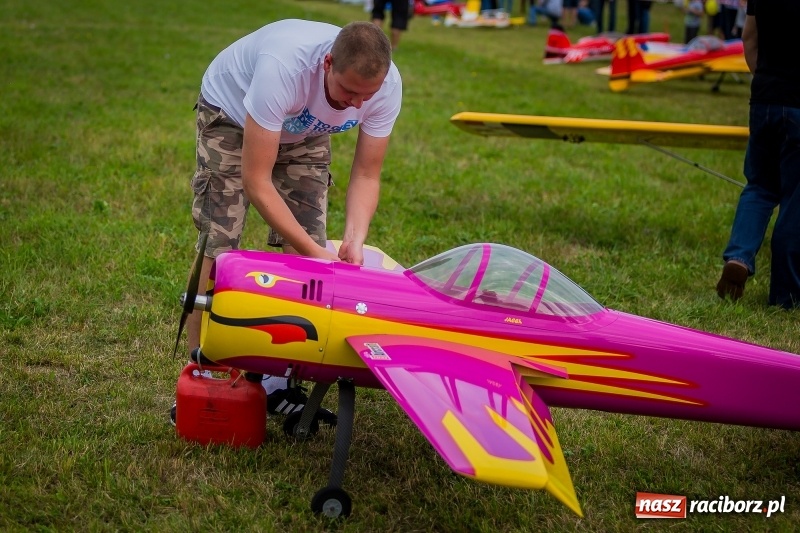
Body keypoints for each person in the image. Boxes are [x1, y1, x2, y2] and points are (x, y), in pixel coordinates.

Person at [174, 20, 403, 423]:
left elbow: (367, 174)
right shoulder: (284, 68)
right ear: (327, 63)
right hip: (230, 112)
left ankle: (281, 383)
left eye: (365, 96)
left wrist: (353, 238)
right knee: (221, 243)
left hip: (306, 130)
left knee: (309, 253)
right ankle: (203, 374)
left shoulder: (385, 86)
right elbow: (257, 181)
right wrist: (317, 253)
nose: (355, 104)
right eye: (348, 90)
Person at [716, 0, 800, 309]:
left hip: (764, 96)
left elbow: (749, 37)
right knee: (795, 198)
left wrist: (763, 79)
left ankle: (739, 255)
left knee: (760, 187)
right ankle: (785, 295)